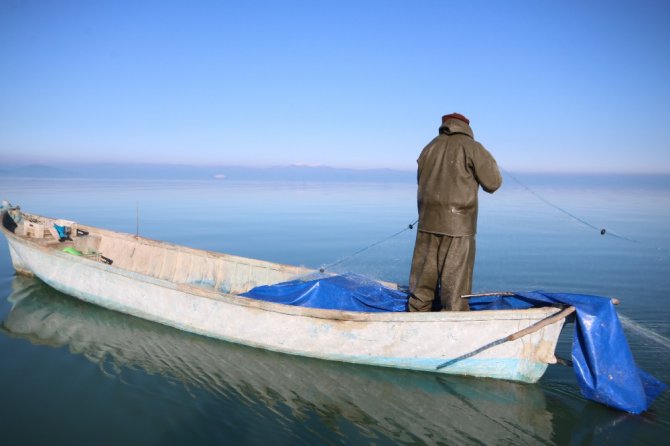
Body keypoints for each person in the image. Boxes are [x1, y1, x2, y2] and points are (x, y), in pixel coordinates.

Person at [408, 113, 502, 312]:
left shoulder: (428, 148)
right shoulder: (472, 147)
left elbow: (421, 181)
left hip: (426, 225)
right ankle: (452, 331)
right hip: (458, 228)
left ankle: (415, 321)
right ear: (466, 127)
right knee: (454, 293)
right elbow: (493, 183)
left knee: (421, 290)